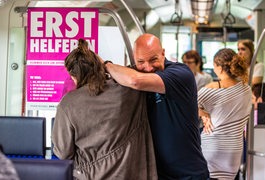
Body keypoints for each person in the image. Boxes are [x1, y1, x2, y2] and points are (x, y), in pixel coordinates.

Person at [103, 33, 209, 179]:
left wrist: (105, 65)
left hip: (188, 174)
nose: (148, 67)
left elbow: (136, 81)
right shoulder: (132, 74)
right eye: (141, 61)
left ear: (163, 53)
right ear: (134, 59)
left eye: (153, 60)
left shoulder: (180, 73)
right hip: (155, 174)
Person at [51, 39, 157, 180]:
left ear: (73, 76)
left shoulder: (68, 104)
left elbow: (63, 153)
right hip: (133, 173)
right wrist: (107, 65)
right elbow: (135, 75)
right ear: (99, 67)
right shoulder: (130, 91)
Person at [198, 48, 252, 179]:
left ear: (220, 67)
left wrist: (204, 114)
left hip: (212, 145)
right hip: (234, 150)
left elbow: (187, 105)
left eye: (214, 65)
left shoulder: (212, 88)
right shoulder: (246, 89)